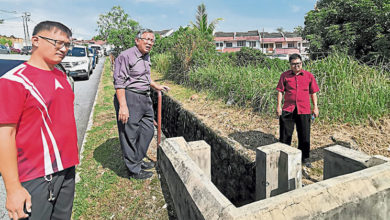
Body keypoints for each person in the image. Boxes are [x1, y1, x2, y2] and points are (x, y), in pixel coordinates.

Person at [0, 21, 79, 219]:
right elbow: (4, 135)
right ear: (35, 40)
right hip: (36, 176)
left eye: (67, 44)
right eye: (57, 42)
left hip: (67, 169)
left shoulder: (61, 76)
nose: (64, 49)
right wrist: (13, 189)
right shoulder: (14, 81)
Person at [113, 29, 169, 180]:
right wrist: (123, 106)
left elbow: (144, 76)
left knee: (148, 130)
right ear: (137, 40)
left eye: (152, 40)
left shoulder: (146, 56)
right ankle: (133, 170)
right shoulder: (125, 56)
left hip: (144, 97)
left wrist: (155, 85)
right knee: (130, 134)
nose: (150, 42)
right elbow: (119, 83)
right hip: (130, 97)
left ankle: (137, 160)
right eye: (147, 39)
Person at [276, 53, 319, 168]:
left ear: (301, 63)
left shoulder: (308, 76)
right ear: (290, 65)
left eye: (298, 63)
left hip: (304, 109)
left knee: (304, 134)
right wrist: (278, 106)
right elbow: (280, 91)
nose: (296, 66)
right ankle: (284, 156)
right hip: (288, 108)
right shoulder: (284, 76)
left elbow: (313, 92)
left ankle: (304, 158)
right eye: (294, 64)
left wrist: (315, 107)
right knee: (285, 134)